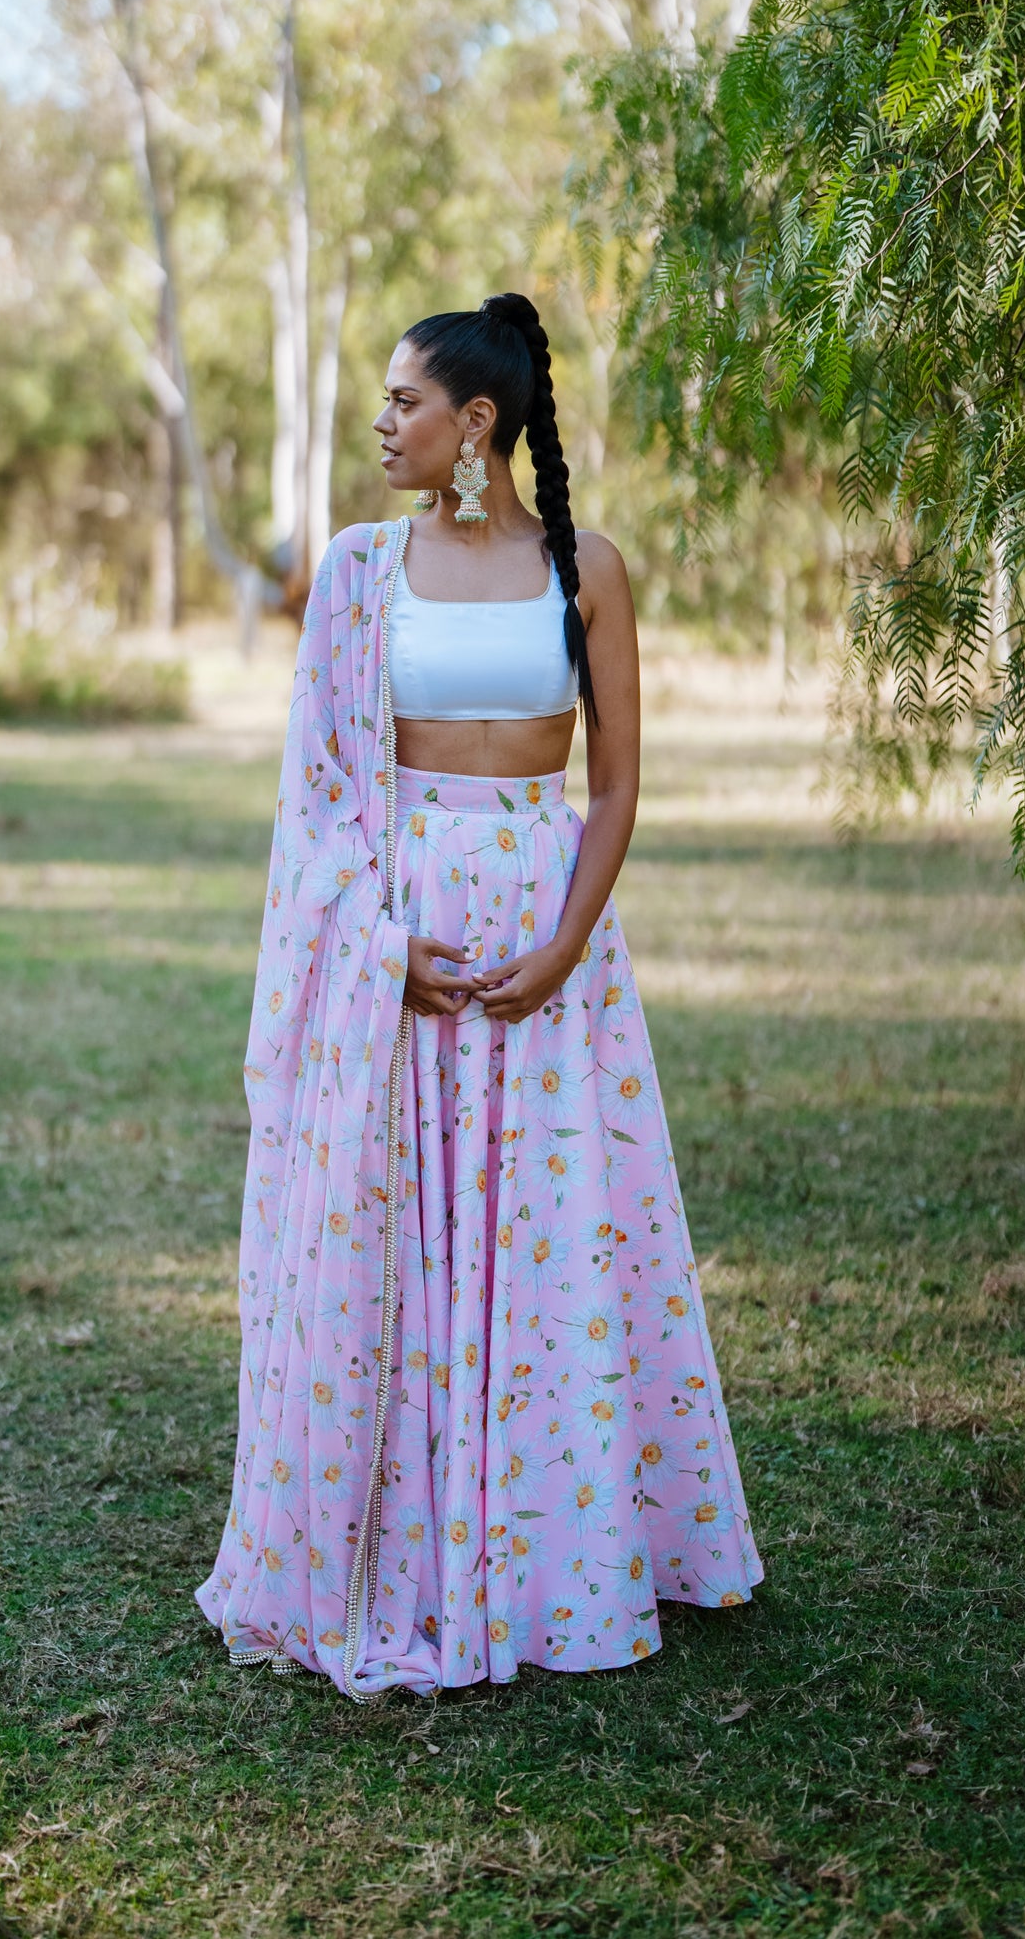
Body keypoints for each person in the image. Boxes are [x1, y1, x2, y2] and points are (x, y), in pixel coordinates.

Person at [195, 292, 762, 1701]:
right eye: (383, 404)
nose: (382, 426)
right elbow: (319, 800)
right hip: (398, 952)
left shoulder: (585, 568)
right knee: (397, 1231)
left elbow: (617, 783)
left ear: (477, 424)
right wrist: (379, 955)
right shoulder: (355, 572)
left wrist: (568, 942)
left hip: (545, 952)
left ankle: (553, 1556)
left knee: (550, 1231)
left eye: (403, 403)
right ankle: (400, 1553)